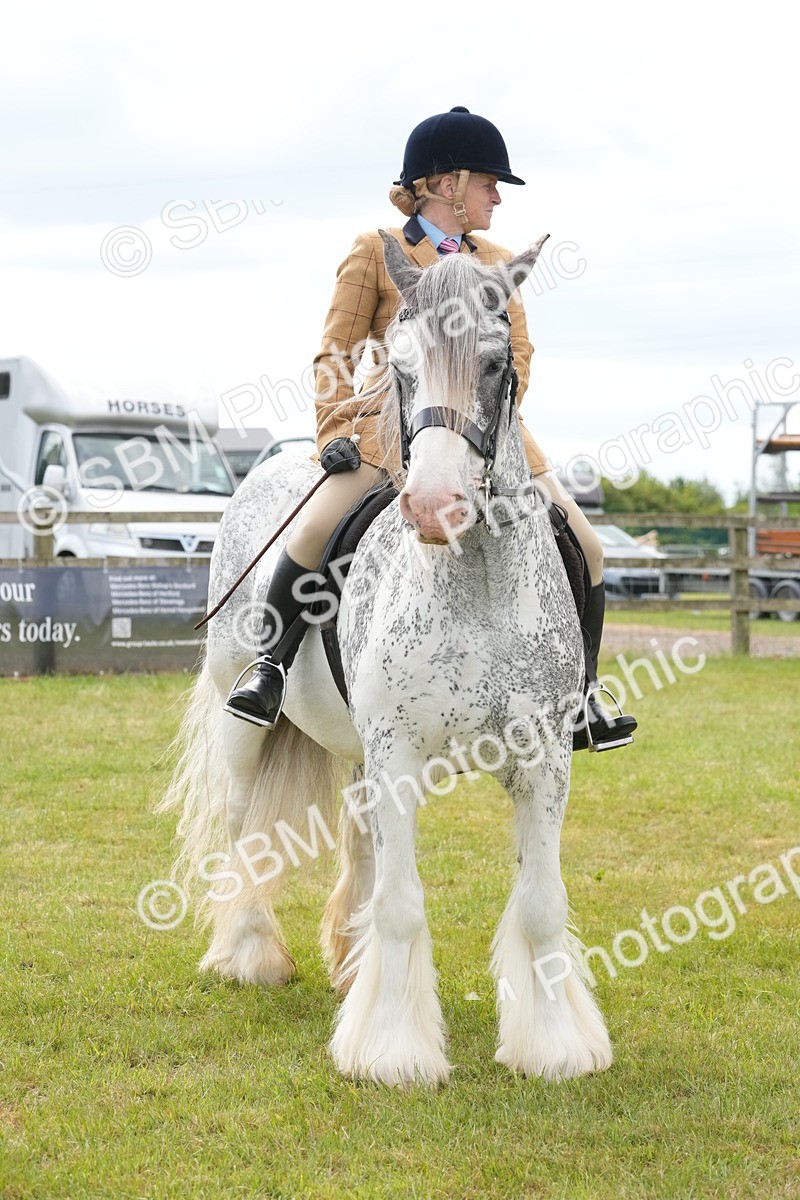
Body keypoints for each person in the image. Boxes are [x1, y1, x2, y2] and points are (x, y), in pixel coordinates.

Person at [225, 106, 637, 752]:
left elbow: (518, 356)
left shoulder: (498, 262)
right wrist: (332, 427)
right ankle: (270, 668)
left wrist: (483, 424)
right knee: (310, 533)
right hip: (388, 432)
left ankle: (581, 695)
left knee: (588, 544)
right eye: (488, 184)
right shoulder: (375, 252)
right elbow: (336, 350)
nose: (497, 197)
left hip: (488, 434)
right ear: (448, 184)